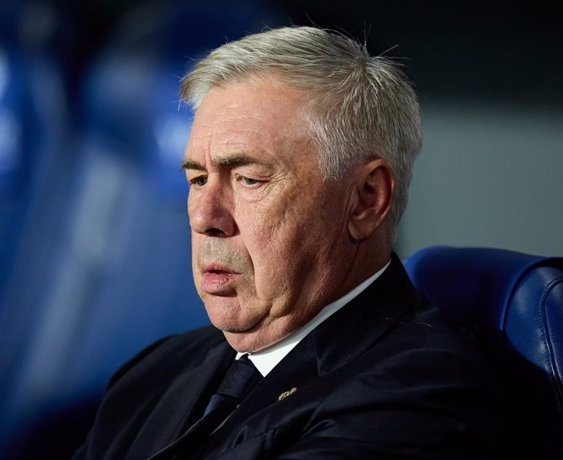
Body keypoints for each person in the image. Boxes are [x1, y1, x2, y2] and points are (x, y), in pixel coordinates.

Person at [73, 26, 499, 459]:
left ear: (365, 201)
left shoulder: (416, 395)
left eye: (249, 179)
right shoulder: (157, 371)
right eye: (198, 179)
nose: (205, 218)